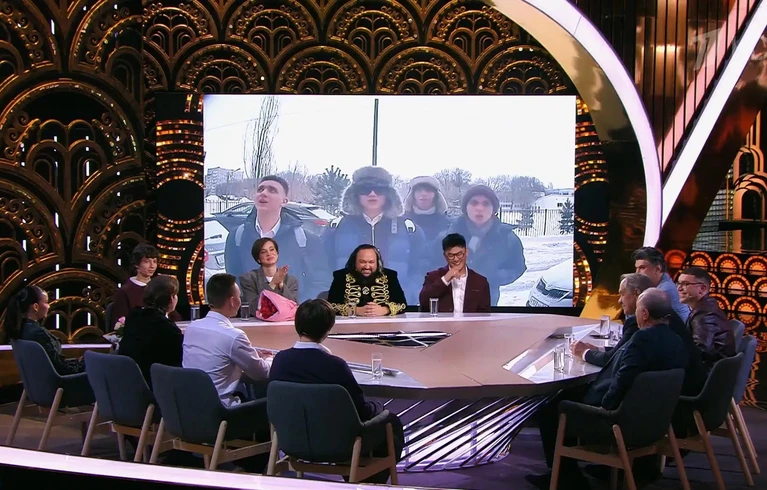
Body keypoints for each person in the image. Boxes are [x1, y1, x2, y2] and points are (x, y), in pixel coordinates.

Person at [527, 288, 688, 490]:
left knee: (551, 408)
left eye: (638, 310)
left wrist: (605, 407)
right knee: (569, 397)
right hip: (654, 419)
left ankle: (565, 478)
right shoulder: (676, 340)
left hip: (618, 421)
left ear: (645, 313)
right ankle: (566, 473)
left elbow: (624, 378)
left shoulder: (642, 339)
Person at [269, 299, 404, 484]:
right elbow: (361, 411)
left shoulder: (279, 361)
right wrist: (379, 407)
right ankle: (366, 484)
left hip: (291, 439)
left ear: (297, 325)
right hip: (339, 443)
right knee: (390, 422)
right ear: (328, 328)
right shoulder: (335, 365)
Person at [573, 274, 706, 396]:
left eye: (622, 294)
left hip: (672, 397)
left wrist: (584, 352)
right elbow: (623, 352)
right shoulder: (668, 318)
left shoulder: (641, 326)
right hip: (674, 394)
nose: (619, 301)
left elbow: (614, 363)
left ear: (637, 294)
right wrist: (599, 349)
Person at [324, 166, 425, 304]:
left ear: (388, 194)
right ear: (355, 193)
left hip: (396, 304)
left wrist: (409, 294)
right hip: (348, 306)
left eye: (379, 189)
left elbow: (420, 269)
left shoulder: (409, 229)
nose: (372, 194)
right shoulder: (336, 228)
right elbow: (324, 269)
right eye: (365, 189)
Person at [224, 175, 328, 302]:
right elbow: (234, 281)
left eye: (272, 190)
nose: (264, 193)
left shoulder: (306, 240)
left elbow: (320, 282)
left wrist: (300, 308)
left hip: (295, 312)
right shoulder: (237, 237)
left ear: (284, 201)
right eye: (260, 189)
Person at [182, 273, 271, 406]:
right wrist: (270, 359)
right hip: (221, 410)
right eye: (239, 297)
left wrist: (252, 354)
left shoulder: (191, 328)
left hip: (190, 406)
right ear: (232, 301)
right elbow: (261, 373)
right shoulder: (234, 336)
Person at [444, 185, 526, 306]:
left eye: (486, 204)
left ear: (493, 209)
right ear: (466, 207)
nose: (479, 208)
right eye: (474, 203)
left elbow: (517, 267)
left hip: (487, 301)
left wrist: (492, 276)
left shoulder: (506, 237)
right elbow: (431, 264)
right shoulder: (449, 233)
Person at [118, 275, 184, 388]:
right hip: (156, 387)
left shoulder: (133, 317)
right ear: (172, 299)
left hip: (127, 383)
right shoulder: (168, 329)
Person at [5, 286, 84, 374]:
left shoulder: (21, 329)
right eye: (46, 302)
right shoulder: (38, 333)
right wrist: (83, 364)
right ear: (36, 307)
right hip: (58, 380)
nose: (49, 306)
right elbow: (61, 369)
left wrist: (77, 362)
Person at [677, 266, 737, 368]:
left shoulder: (704, 314)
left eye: (686, 284)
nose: (679, 288)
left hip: (708, 373)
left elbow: (702, 352)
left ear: (702, 289)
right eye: (678, 283)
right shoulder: (706, 306)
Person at [327, 244, 407, 317]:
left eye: (371, 262)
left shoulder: (390, 276)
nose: (367, 267)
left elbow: (402, 304)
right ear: (355, 262)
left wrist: (385, 310)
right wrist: (355, 310)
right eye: (362, 262)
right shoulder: (341, 276)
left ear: (377, 263)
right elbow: (330, 305)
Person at [418, 233, 491, 313]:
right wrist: (445, 279)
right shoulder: (433, 277)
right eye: (451, 255)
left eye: (459, 254)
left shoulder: (480, 282)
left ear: (466, 252)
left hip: (470, 321)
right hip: (442, 321)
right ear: (445, 256)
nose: (456, 259)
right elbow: (423, 301)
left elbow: (485, 314)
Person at [112, 243, 181, 327]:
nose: (152, 266)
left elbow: (176, 319)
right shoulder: (125, 291)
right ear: (136, 264)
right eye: (147, 261)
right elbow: (119, 323)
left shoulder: (160, 287)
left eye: (154, 261)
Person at [239, 238, 298, 315]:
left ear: (277, 253)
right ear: (258, 259)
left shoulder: (291, 280)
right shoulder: (248, 279)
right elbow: (253, 308)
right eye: (263, 252)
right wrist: (273, 283)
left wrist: (282, 285)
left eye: (272, 249)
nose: (269, 254)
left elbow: (294, 308)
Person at [403, 176, 451, 272]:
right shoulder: (401, 223)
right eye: (419, 191)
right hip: (407, 278)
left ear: (436, 195)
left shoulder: (449, 224)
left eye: (428, 190)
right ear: (412, 195)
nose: (423, 194)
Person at [632, 246, 690, 321]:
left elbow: (642, 322)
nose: (637, 273)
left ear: (657, 269)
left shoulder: (663, 292)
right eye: (636, 268)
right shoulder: (662, 283)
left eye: (642, 268)